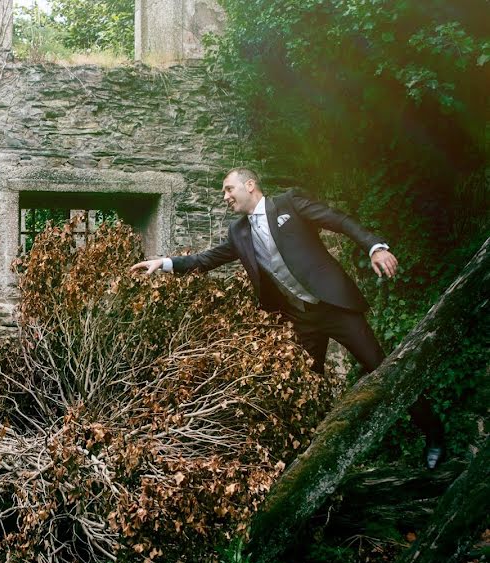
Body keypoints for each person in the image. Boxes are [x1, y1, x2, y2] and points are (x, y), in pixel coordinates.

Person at [130, 167, 443, 468]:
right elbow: (206, 259)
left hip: (335, 307)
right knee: (304, 390)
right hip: (301, 319)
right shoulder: (238, 232)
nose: (225, 196)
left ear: (250, 185)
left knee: (382, 368)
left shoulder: (289, 204)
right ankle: (313, 463)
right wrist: (165, 263)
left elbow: (339, 221)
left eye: (229, 188)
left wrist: (374, 247)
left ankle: (433, 433)